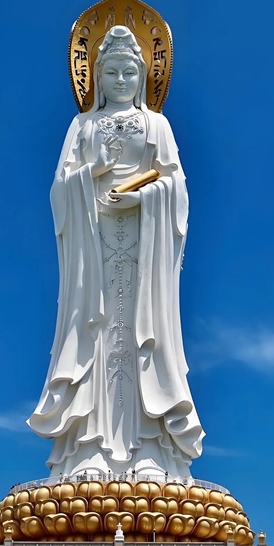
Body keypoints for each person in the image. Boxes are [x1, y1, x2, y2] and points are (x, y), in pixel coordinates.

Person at [27, 25, 204, 478]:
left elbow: (176, 187)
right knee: (96, 334)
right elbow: (59, 191)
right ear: (97, 79)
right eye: (111, 73)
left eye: (129, 72)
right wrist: (91, 173)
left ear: (143, 76)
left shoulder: (157, 125)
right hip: (93, 253)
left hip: (145, 250)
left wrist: (144, 197)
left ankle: (151, 451)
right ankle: (88, 448)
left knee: (145, 338)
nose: (121, 80)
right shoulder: (82, 126)